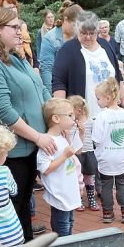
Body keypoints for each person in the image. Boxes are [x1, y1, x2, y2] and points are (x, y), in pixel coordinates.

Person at [0, 7, 54, 241]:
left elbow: (41, 89)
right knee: (15, 207)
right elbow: (3, 111)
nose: (20, 32)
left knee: (23, 206)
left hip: (30, 147)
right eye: (14, 27)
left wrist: (58, 118)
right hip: (13, 152)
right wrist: (38, 136)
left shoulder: (15, 58)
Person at [52, 12, 124, 119]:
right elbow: (59, 83)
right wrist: (62, 115)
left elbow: (118, 77)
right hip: (83, 118)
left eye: (92, 33)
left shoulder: (105, 45)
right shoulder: (67, 50)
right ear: (77, 30)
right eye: (83, 33)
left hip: (111, 116)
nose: (88, 37)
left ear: (97, 32)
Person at [92, 77, 124, 223]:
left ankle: (108, 213)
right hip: (121, 156)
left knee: (106, 186)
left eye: (98, 98)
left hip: (105, 157)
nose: (97, 101)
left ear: (108, 98)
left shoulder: (101, 117)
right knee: (121, 184)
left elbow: (96, 139)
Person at [38, 98, 83, 236]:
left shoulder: (63, 136)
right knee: (62, 226)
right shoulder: (48, 141)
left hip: (67, 191)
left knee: (69, 221)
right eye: (70, 115)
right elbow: (45, 169)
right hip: (59, 194)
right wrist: (63, 156)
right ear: (56, 118)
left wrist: (81, 133)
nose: (73, 118)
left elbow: (75, 153)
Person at [39, 1, 82, 93]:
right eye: (75, 24)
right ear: (65, 20)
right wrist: (53, 97)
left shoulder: (80, 36)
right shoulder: (49, 39)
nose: (78, 28)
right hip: (60, 89)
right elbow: (46, 70)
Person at [67, 95, 99, 211]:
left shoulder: (90, 122)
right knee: (76, 178)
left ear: (78, 110)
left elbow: (94, 137)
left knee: (89, 177)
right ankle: (78, 199)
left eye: (71, 111)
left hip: (88, 152)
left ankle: (91, 199)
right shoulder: (70, 124)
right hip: (76, 154)